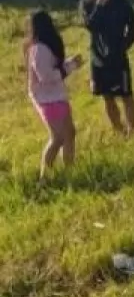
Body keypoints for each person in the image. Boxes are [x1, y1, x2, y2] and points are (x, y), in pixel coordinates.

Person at [79, 0, 134, 135]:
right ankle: (118, 131)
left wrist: (123, 47)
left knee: (127, 95)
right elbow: (91, 26)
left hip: (119, 58)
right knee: (107, 96)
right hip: (98, 59)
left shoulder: (121, 2)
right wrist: (100, 4)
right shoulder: (86, 5)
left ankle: (133, 130)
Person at [24, 10, 83, 180]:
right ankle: (44, 176)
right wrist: (69, 68)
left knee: (70, 133)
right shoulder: (38, 49)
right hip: (46, 99)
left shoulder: (44, 47)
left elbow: (54, 70)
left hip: (56, 95)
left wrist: (70, 63)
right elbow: (47, 76)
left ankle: (70, 171)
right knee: (58, 138)